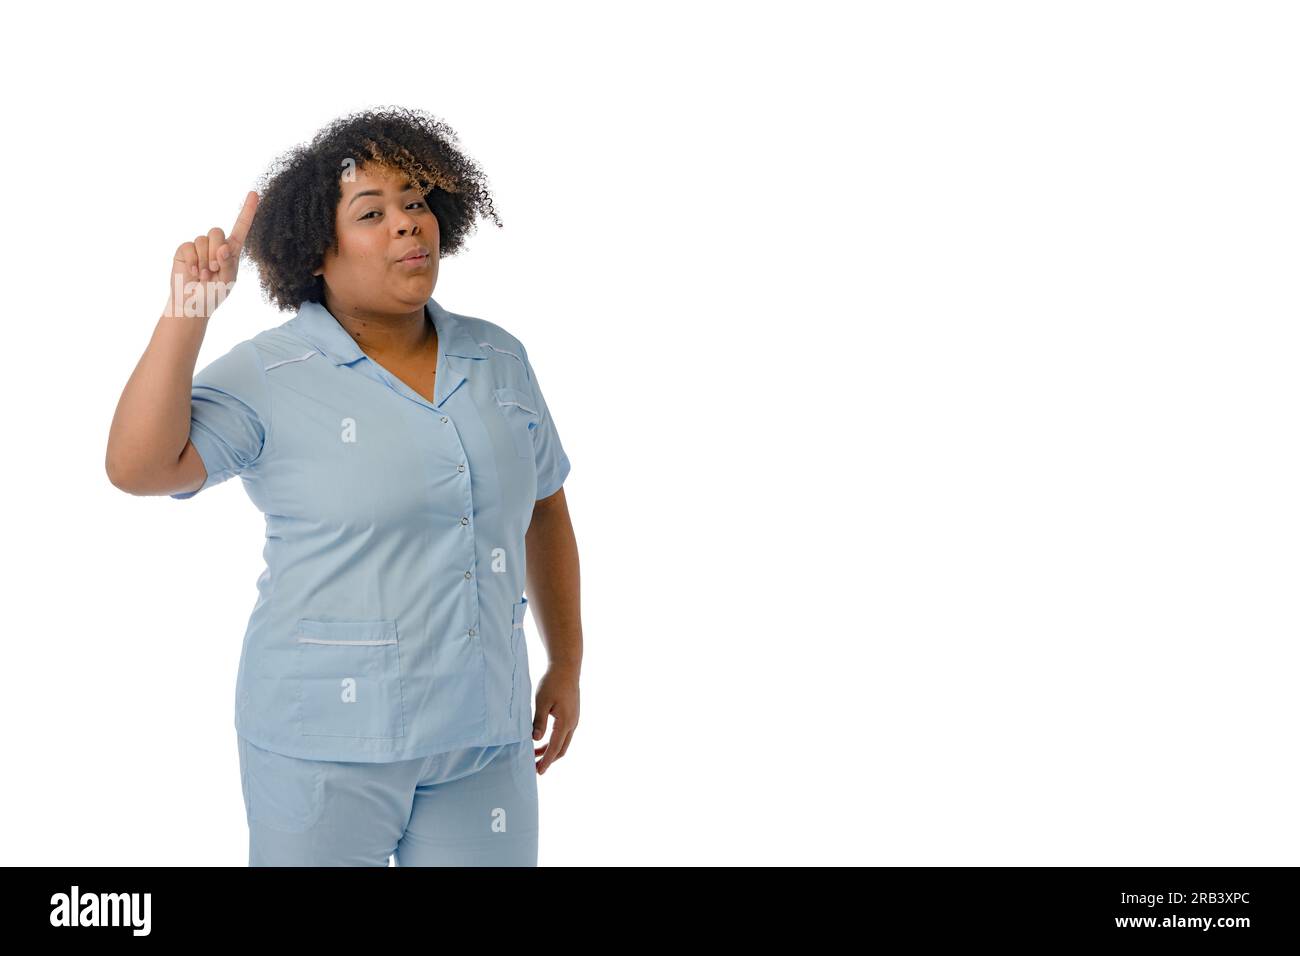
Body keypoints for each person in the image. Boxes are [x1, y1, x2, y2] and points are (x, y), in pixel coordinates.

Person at [105, 108, 582, 866]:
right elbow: (138, 467)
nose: (407, 225)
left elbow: (544, 505)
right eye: (373, 213)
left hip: (482, 735)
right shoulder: (273, 373)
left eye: (417, 201)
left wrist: (567, 660)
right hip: (323, 746)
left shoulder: (499, 357)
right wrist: (187, 311)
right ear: (316, 254)